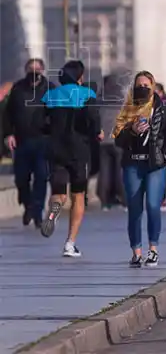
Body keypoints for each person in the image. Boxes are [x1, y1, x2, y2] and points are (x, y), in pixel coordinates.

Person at [112, 71, 166, 267]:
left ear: (153, 87)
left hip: (154, 166)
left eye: (146, 86)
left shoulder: (163, 111)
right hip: (132, 165)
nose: (142, 89)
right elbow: (118, 141)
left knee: (152, 205)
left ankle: (153, 250)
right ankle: (136, 253)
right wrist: (132, 131)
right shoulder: (127, 109)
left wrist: (163, 157)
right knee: (134, 209)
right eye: (138, 85)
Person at [40, 60, 103, 257]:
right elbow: (93, 118)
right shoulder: (87, 94)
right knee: (78, 195)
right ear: (79, 77)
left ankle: (55, 208)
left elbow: (41, 122)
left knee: (58, 191)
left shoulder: (50, 95)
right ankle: (70, 243)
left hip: (56, 149)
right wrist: (97, 132)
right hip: (79, 151)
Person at [3, 58, 52, 227]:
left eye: (37, 69)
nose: (34, 72)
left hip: (43, 141)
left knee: (41, 177)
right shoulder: (18, 88)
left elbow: (58, 114)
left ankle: (37, 212)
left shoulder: (50, 89)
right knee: (21, 178)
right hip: (21, 141)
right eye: (31, 69)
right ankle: (28, 205)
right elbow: (8, 114)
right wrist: (8, 134)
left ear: (42, 71)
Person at [97, 75, 126, 210]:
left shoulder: (99, 100)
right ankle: (124, 199)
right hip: (119, 140)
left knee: (104, 171)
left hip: (102, 141)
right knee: (121, 171)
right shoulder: (122, 100)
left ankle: (105, 201)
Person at [154, 83, 166, 211]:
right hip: (152, 143)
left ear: (161, 92)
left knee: (161, 171)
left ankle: (162, 199)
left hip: (163, 144)